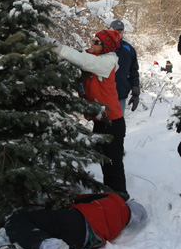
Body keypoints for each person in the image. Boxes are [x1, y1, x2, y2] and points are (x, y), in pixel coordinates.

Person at [42, 30, 128, 199]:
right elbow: (79, 59)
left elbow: (83, 61)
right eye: (93, 40)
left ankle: (120, 196)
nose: (92, 43)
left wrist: (56, 46)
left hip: (113, 122)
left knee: (113, 162)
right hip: (99, 120)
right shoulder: (93, 56)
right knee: (104, 160)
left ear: (106, 46)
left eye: (97, 42)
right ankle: (109, 194)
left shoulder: (108, 62)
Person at [0, 192, 147, 249]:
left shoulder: (115, 199)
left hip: (77, 219)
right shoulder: (119, 226)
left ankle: (44, 245)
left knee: (17, 220)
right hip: (80, 241)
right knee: (50, 231)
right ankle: (27, 246)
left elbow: (83, 198)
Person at [109, 20, 140, 116]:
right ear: (109, 31)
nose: (117, 34)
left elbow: (134, 71)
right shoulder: (101, 47)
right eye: (114, 31)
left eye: (120, 32)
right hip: (103, 94)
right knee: (102, 128)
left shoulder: (129, 49)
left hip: (120, 94)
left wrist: (135, 92)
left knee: (118, 125)